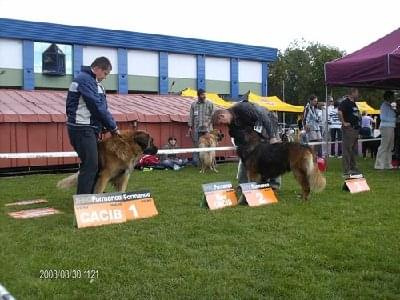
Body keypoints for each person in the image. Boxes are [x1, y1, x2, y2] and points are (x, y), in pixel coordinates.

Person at [66, 57, 120, 194]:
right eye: (105, 73)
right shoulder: (85, 81)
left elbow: (99, 107)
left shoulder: (89, 81)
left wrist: (102, 126)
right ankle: (84, 200)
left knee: (92, 164)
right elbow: (97, 106)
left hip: (87, 129)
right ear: (97, 69)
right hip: (82, 129)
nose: (106, 77)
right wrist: (113, 127)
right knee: (90, 165)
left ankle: (92, 194)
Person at [211, 101, 281, 189]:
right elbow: (237, 137)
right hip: (254, 132)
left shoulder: (242, 108)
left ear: (222, 116)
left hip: (268, 123)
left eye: (221, 123)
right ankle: (243, 185)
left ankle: (274, 184)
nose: (223, 125)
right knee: (246, 156)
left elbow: (264, 117)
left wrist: (272, 137)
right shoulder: (231, 123)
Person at [338, 88, 361, 176]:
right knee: (347, 150)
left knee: (353, 150)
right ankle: (346, 170)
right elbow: (339, 112)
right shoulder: (345, 102)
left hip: (355, 129)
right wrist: (343, 122)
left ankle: (353, 168)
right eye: (357, 92)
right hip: (349, 129)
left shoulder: (353, 103)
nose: (358, 94)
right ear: (352, 93)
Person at [187, 89, 214, 166]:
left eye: (205, 94)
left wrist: (209, 123)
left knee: (209, 145)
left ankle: (210, 163)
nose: (204, 96)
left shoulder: (210, 104)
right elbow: (191, 116)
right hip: (197, 128)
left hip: (207, 129)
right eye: (202, 94)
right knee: (196, 145)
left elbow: (213, 115)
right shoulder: (193, 105)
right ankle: (197, 163)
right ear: (198, 95)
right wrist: (190, 127)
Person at [375, 91, 396, 170]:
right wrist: (394, 119)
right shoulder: (384, 105)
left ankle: (388, 164)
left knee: (390, 146)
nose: (393, 98)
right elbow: (383, 118)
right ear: (388, 97)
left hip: (391, 126)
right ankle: (379, 164)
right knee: (384, 146)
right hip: (386, 127)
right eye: (392, 96)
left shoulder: (390, 105)